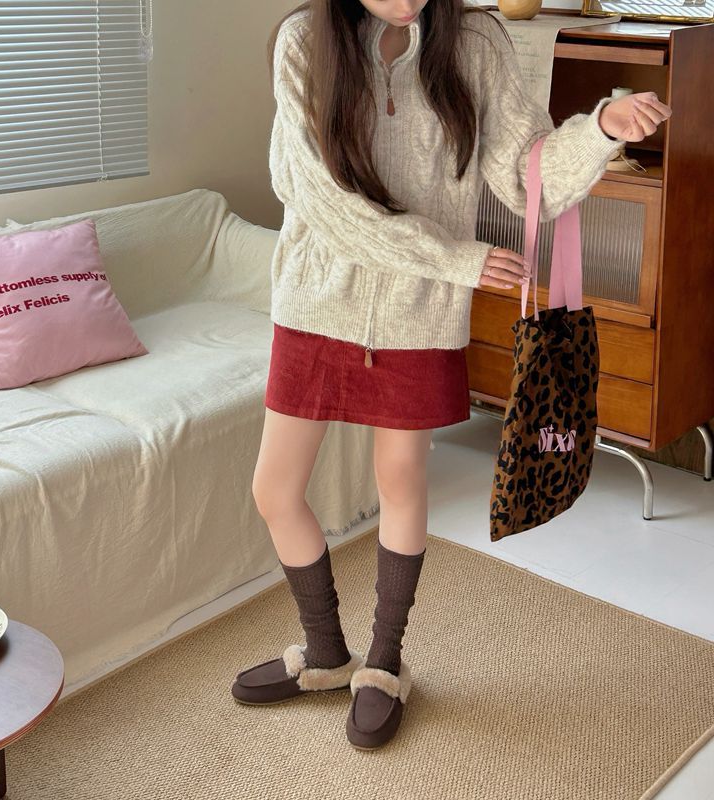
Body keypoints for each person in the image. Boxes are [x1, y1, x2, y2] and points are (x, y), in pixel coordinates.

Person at [230, 0, 671, 751]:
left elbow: (526, 173)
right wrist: (451, 258)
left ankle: (384, 663)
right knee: (274, 489)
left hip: (418, 314)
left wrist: (599, 128)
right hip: (316, 300)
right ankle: (325, 653)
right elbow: (313, 193)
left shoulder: (474, 41)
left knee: (401, 482)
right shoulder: (304, 40)